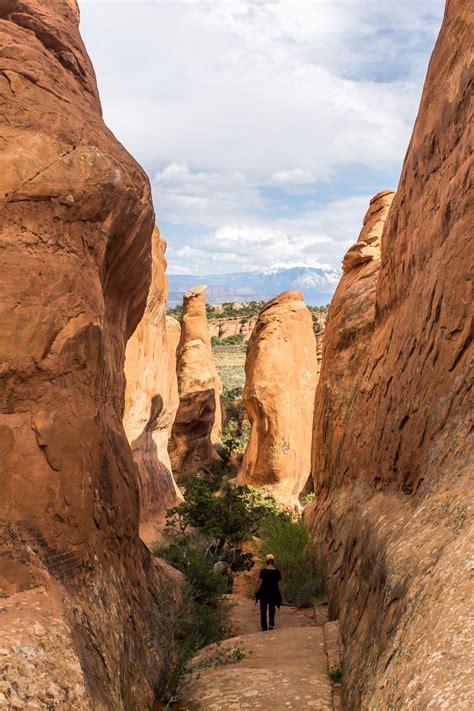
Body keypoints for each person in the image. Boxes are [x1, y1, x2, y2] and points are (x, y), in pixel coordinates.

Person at [255, 553, 282, 631]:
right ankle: (271, 624)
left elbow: (260, 582)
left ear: (266, 561)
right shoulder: (277, 571)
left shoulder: (263, 571)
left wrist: (256, 591)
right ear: (273, 561)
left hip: (264, 592)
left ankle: (264, 627)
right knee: (272, 608)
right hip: (273, 592)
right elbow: (279, 584)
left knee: (263, 610)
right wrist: (279, 593)